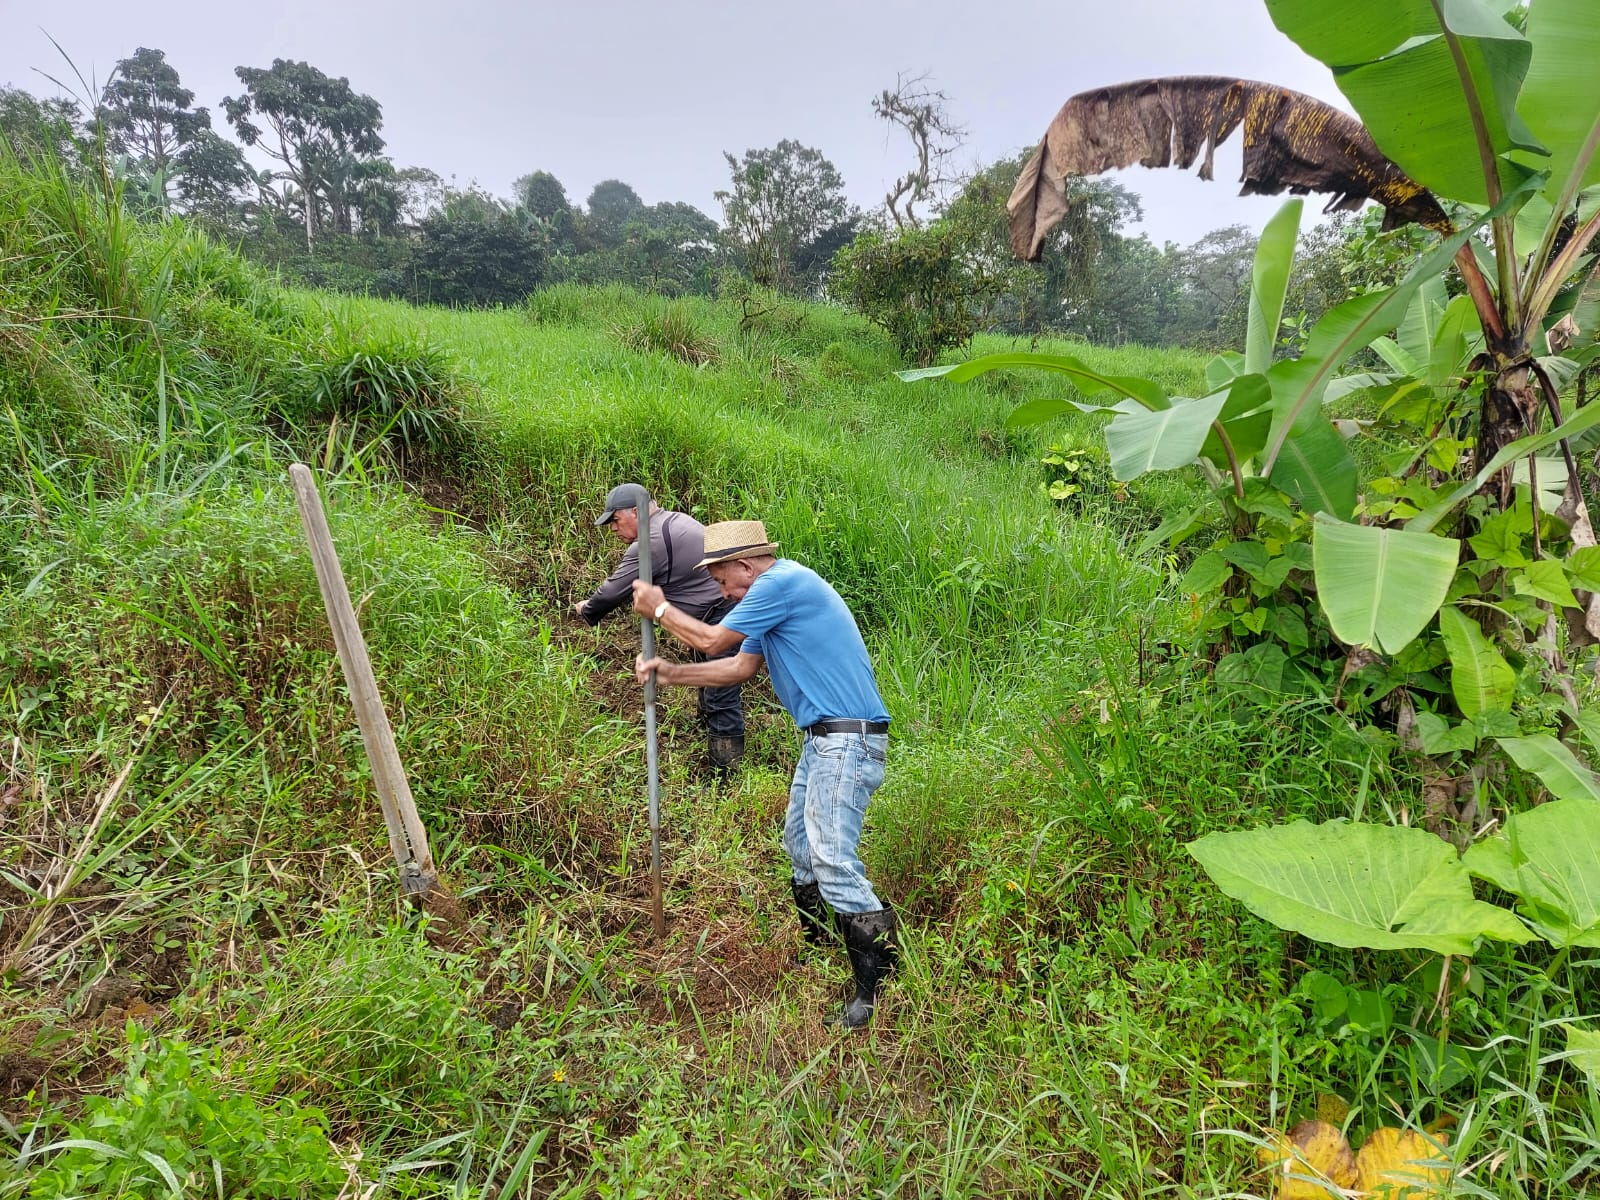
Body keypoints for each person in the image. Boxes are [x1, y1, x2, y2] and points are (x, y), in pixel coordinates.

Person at [629, 519, 897, 1029]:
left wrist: (659, 608)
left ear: (746, 567)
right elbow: (737, 668)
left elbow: (713, 641)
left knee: (831, 857)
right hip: (822, 740)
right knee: (800, 845)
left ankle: (875, 988)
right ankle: (821, 948)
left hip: (847, 740)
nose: (723, 593)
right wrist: (672, 673)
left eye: (723, 581)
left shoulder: (781, 583)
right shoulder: (773, 598)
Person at [574, 484, 746, 771]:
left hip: (721, 615)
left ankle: (726, 772)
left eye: (615, 520)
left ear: (636, 511)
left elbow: (614, 591)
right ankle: (708, 738)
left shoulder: (650, 541)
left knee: (720, 693)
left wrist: (587, 609)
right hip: (713, 615)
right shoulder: (675, 520)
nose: (613, 529)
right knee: (709, 683)